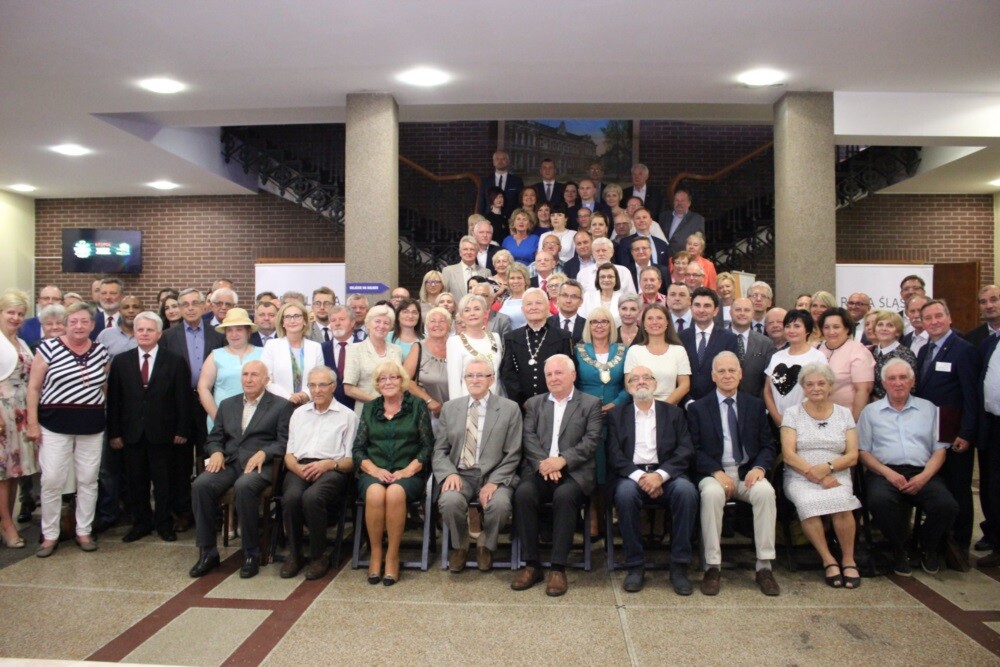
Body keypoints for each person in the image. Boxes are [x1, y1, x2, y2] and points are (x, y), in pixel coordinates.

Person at [188, 361, 293, 579]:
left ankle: (251, 552)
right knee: (201, 485)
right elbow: (214, 437)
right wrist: (216, 451)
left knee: (244, 486)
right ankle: (208, 552)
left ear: (266, 379)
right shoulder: (228, 404)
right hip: (229, 462)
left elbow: (285, 441)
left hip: (260, 465)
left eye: (255, 375)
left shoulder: (281, 406)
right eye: (245, 374)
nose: (249, 379)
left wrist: (265, 452)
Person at [689, 352, 780, 596]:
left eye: (732, 370)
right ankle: (712, 566)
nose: (727, 375)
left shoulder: (755, 405)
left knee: (766, 493)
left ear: (741, 374)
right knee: (711, 495)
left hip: (747, 472)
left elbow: (768, 445)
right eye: (721, 371)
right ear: (713, 376)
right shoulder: (698, 408)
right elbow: (693, 449)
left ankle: (764, 566)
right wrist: (716, 471)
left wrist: (759, 468)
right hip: (714, 473)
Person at [511, 355, 602, 597]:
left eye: (559, 373)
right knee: (523, 493)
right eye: (549, 374)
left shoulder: (590, 403)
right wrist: (544, 464)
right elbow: (528, 437)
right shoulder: (534, 403)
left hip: (575, 472)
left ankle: (557, 568)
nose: (553, 378)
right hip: (541, 469)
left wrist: (562, 460)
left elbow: (591, 440)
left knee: (564, 496)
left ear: (573, 375)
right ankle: (532, 565)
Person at [858, 359, 958, 576]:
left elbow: (940, 450)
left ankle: (926, 546)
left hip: (923, 472)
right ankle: (898, 550)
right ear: (884, 383)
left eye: (903, 378)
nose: (898, 383)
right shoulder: (870, 412)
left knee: (947, 505)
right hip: (884, 472)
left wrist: (924, 477)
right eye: (892, 378)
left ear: (912, 382)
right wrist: (889, 474)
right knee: (879, 501)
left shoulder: (929, 408)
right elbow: (863, 452)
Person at [26, 302, 110, 557]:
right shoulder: (48, 348)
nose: (79, 326)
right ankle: (50, 535)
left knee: (88, 479)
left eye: (84, 321)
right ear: (65, 324)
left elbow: (104, 387)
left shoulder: (100, 351)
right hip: (54, 424)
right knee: (52, 479)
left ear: (92, 325)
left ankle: (83, 531)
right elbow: (34, 388)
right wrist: (32, 423)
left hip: (91, 426)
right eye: (73, 321)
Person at [607, 367, 698, 594]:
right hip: (632, 475)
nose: (641, 382)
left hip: (667, 474)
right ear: (628, 387)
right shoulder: (617, 415)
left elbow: (685, 450)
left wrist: (660, 476)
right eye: (634, 379)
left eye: (646, 377)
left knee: (687, 492)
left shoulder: (674, 413)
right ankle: (635, 565)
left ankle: (679, 566)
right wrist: (642, 478)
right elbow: (614, 454)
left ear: (655, 384)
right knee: (625, 495)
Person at [107, 311, 191, 543]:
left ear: (159, 334)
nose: (144, 333)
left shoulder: (174, 361)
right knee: (136, 481)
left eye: (149, 330)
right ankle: (141, 523)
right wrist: (114, 433)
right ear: (134, 333)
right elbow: (114, 401)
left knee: (164, 482)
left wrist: (182, 430)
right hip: (131, 433)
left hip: (164, 433)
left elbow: (182, 398)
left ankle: (164, 523)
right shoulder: (121, 362)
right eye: (140, 330)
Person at [780, 363, 862, 589]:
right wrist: (815, 475)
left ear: (830, 386)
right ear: (803, 387)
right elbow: (788, 454)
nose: (815, 388)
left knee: (842, 502)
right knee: (808, 503)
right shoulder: (792, 414)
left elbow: (852, 455)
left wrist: (828, 468)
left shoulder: (844, 414)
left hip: (837, 473)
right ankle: (828, 559)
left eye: (821, 383)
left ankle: (848, 559)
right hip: (800, 475)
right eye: (810, 384)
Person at [434, 359, 521, 572]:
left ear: (491, 379)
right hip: (460, 474)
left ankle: (486, 544)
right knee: (449, 501)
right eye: (470, 376)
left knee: (499, 505)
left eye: (480, 375)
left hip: (494, 474)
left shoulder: (509, 409)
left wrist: (494, 482)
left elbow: (514, 453)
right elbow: (439, 450)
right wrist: (449, 473)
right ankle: (460, 544)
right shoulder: (450, 408)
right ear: (464, 379)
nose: (474, 380)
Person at [353, 360, 432, 586]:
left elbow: (427, 446)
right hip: (374, 471)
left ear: (402, 380)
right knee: (376, 493)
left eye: (393, 377)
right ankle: (376, 554)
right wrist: (374, 469)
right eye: (382, 379)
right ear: (377, 384)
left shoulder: (417, 406)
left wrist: (408, 470)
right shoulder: (370, 408)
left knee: (395, 492)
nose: (388, 382)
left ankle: (392, 556)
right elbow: (358, 449)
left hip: (409, 473)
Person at [914, 299, 980, 570]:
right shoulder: (924, 350)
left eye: (938, 316)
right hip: (931, 431)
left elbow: (971, 396)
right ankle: (939, 540)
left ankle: (959, 544)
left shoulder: (963, 350)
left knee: (959, 487)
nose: (934, 322)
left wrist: (966, 432)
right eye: (928, 318)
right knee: (939, 486)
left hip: (954, 433)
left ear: (949, 318)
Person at [279, 366, 357, 580]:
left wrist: (327, 465)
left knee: (312, 497)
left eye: (322, 385)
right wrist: (296, 468)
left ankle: (318, 556)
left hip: (332, 468)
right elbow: (289, 454)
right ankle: (295, 555)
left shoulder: (347, 416)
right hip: (300, 466)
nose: (317, 390)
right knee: (291, 497)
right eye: (312, 385)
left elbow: (351, 460)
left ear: (333, 387)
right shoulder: (298, 413)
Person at [160, 288, 226, 532]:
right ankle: (184, 512)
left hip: (210, 402)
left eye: (194, 303)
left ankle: (213, 511)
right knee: (180, 462)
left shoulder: (217, 335)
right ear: (178, 308)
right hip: (180, 406)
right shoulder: (168, 336)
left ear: (203, 306)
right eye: (184, 304)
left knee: (211, 456)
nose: (189, 308)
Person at [574, 306, 630, 537]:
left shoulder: (623, 350)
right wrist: (588, 407)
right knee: (593, 468)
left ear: (611, 325)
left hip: (618, 416)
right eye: (594, 322)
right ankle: (594, 515)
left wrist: (616, 403)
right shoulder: (578, 350)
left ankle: (615, 513)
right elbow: (574, 383)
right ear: (588, 326)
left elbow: (629, 383)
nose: (599, 326)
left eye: (604, 321)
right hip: (586, 418)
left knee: (614, 466)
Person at [0, 290, 36, 548]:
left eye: (20, 313)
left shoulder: (20, 341)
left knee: (14, 472)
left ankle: (6, 520)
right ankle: (7, 524)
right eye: (10, 312)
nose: (15, 317)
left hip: (20, 412)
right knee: (2, 473)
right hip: (2, 412)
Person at [500, 288, 573, 406]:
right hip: (522, 406)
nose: (534, 307)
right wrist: (522, 401)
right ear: (523, 310)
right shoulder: (511, 338)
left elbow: (569, 372)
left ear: (548, 307)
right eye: (529, 304)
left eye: (538, 303)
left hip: (556, 404)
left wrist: (555, 399)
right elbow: (508, 373)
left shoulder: (563, 337)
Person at [198, 308, 264, 431]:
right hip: (222, 423)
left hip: (258, 422)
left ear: (248, 332)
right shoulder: (215, 355)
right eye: (229, 330)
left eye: (239, 329)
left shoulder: (263, 354)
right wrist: (218, 419)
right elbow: (203, 388)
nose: (234, 334)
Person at [763, 310, 828, 427]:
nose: (791, 330)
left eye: (797, 326)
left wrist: (795, 421)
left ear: (807, 330)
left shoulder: (817, 357)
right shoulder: (777, 356)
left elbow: (823, 391)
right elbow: (767, 390)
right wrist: (777, 418)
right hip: (777, 422)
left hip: (807, 423)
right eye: (788, 326)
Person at [679, 287, 739, 402]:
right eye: (697, 305)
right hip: (685, 404)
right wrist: (687, 402)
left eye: (707, 306)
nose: (701, 310)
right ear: (691, 308)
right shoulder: (680, 338)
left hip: (716, 404)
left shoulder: (729, 339)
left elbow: (731, 375)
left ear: (716, 311)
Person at [343, 304, 403, 417]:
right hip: (367, 412)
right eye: (377, 321)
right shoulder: (355, 349)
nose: (381, 326)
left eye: (386, 323)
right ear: (368, 324)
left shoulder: (397, 350)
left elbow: (401, 382)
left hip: (395, 412)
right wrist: (380, 403)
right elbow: (349, 389)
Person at [261, 302, 325, 407]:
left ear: (305, 321)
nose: (292, 320)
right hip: (278, 406)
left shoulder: (316, 347)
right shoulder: (271, 345)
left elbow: (320, 378)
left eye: (297, 316)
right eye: (287, 317)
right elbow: (265, 379)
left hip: (308, 406)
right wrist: (288, 396)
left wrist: (306, 394)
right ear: (282, 322)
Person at [624, 303, 690, 404]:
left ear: (667, 322)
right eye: (650, 318)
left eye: (659, 318)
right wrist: (648, 407)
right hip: (641, 406)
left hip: (670, 408)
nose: (655, 322)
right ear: (643, 324)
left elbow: (684, 385)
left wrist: (662, 408)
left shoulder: (679, 351)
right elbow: (629, 384)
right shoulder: (634, 351)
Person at [816, 308, 875, 421]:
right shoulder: (816, 349)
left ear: (847, 329)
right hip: (816, 417)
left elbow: (863, 391)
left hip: (846, 418)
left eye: (836, 327)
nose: (831, 332)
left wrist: (853, 423)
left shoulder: (858, 351)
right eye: (826, 327)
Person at [447, 294, 503, 399]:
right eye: (467, 310)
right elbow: (454, 381)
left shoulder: (495, 337)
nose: (472, 313)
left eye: (477, 309)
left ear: (485, 313)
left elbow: (499, 376)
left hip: (496, 401)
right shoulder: (454, 342)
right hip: (468, 402)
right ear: (462, 316)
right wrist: (457, 406)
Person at [404, 306, 451, 424]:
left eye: (442, 321)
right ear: (426, 326)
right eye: (433, 321)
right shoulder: (418, 347)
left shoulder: (456, 347)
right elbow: (405, 380)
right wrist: (429, 401)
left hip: (454, 413)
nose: (437, 325)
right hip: (427, 414)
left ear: (449, 325)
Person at [729, 297, 775, 398]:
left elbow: (768, 381)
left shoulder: (766, 343)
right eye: (738, 310)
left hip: (757, 402)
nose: (742, 313)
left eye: (747, 310)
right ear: (730, 312)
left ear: (753, 313)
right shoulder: (719, 339)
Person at [869, 310, 918, 400]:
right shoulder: (871, 352)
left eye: (890, 325)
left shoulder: (905, 355)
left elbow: (911, 387)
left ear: (897, 332)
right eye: (880, 325)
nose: (884, 329)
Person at [475, 150, 523, 221]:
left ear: (508, 162)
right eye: (497, 159)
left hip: (511, 220)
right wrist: (479, 220)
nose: (500, 161)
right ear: (493, 162)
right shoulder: (486, 181)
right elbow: (481, 203)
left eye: (503, 159)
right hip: (489, 220)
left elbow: (520, 202)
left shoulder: (517, 181)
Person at [661, 188, 705, 256]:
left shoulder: (697, 219)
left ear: (689, 203)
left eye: (682, 200)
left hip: (684, 258)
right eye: (677, 200)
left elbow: (699, 241)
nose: (679, 203)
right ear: (673, 202)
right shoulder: (664, 216)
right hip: (664, 256)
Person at [18, 285, 62, 350]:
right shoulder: (24, 326)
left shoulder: (67, 325)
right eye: (46, 298)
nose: (50, 302)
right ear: (39, 301)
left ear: (61, 302)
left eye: (55, 299)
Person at [496, 262, 530, 330]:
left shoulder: (531, 298)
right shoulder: (506, 300)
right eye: (512, 278)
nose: (515, 281)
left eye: (519, 278)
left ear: (525, 280)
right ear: (508, 281)